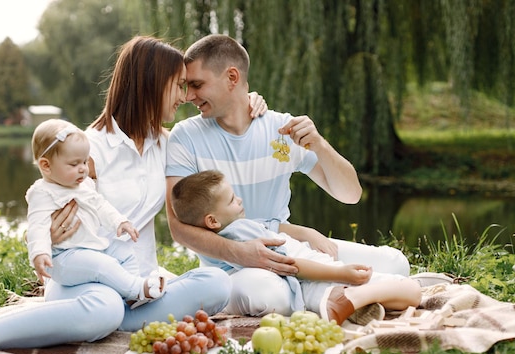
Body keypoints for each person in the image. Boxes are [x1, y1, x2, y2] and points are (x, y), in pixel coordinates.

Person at [0, 35, 267, 354]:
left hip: (139, 287)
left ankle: (114, 320)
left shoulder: (168, 144)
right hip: (85, 284)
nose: (185, 97)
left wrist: (249, 101)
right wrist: (51, 237)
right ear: (150, 84)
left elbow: (221, 122)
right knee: (104, 309)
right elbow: (45, 206)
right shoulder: (89, 150)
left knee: (216, 284)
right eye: (178, 86)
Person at [165, 34, 418, 318]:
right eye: (187, 87)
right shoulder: (184, 138)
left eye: (197, 85)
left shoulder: (282, 129)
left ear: (232, 77)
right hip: (231, 267)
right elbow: (179, 228)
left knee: (396, 264)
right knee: (271, 296)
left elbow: (350, 195)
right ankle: (331, 293)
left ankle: (331, 293)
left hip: (289, 248)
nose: (188, 96)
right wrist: (242, 253)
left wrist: (320, 145)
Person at [170, 169, 421, 325]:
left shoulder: (227, 233)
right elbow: (290, 265)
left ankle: (355, 302)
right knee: (412, 291)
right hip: (319, 277)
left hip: (313, 288)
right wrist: (341, 273)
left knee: (401, 292)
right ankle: (353, 298)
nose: (240, 200)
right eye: (232, 200)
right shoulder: (240, 232)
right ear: (213, 220)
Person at [26, 118, 165, 306]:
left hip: (91, 247)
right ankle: (137, 288)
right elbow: (37, 225)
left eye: (84, 161)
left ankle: (131, 293)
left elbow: (101, 206)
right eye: (74, 164)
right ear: (46, 166)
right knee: (102, 265)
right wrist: (40, 253)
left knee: (124, 251)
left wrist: (119, 222)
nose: (83, 168)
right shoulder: (42, 193)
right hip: (63, 257)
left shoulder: (84, 185)